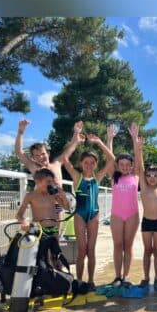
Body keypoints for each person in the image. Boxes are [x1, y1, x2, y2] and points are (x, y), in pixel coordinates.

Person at [62, 123, 115, 289]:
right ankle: (79, 281)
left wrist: (99, 142)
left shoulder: (98, 178)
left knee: (91, 250)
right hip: (79, 215)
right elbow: (64, 159)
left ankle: (91, 281)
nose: (89, 165)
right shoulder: (77, 177)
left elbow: (112, 159)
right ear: (81, 163)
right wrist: (75, 138)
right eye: (86, 162)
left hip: (94, 215)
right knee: (81, 250)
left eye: (92, 162)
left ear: (96, 164)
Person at [105, 122, 140, 287]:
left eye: (128, 164)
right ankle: (117, 276)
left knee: (128, 245)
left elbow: (138, 157)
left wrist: (134, 138)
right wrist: (109, 139)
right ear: (118, 166)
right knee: (118, 245)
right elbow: (109, 157)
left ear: (131, 166)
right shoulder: (114, 177)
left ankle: (126, 276)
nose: (125, 167)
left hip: (132, 215)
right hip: (117, 216)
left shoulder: (136, 176)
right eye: (122, 164)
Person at [134, 134, 157, 288]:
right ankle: (146, 277)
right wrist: (139, 150)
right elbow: (140, 167)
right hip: (147, 222)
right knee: (147, 250)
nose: (152, 178)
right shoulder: (143, 187)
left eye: (155, 175)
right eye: (149, 175)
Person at [16, 168, 70, 267]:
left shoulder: (53, 195)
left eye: (52, 181)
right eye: (48, 181)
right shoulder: (30, 196)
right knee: (41, 257)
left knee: (56, 256)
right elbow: (19, 215)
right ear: (38, 182)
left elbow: (66, 207)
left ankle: (57, 273)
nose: (51, 184)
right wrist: (24, 222)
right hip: (39, 230)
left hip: (53, 229)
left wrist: (63, 196)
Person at [15, 119, 64, 184]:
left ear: (48, 153)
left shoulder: (56, 165)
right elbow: (19, 152)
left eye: (43, 154)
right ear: (33, 158)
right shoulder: (34, 167)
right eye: (37, 156)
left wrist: (76, 135)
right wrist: (20, 132)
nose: (41, 157)